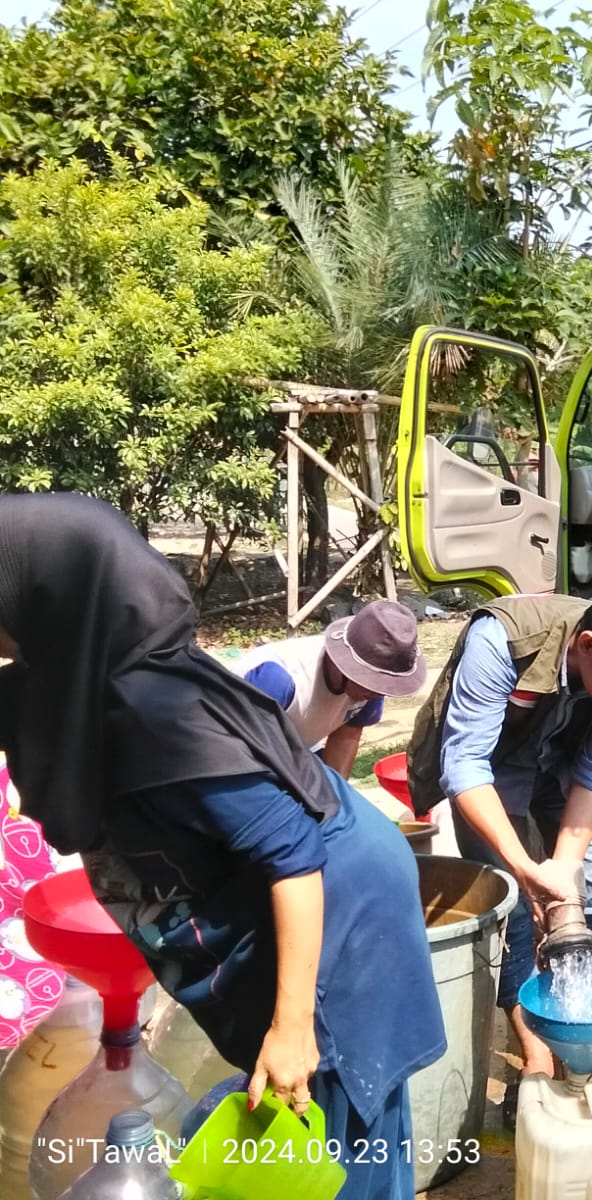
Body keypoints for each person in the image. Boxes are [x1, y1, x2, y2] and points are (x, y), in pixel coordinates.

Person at [0, 494, 444, 1200]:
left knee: (327, 1136)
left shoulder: (148, 708)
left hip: (335, 906)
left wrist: (295, 1028)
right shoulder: (81, 683)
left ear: (49, 594)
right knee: (322, 1132)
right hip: (312, 884)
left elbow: (294, 853)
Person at [406, 584, 592, 1082]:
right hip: (494, 768)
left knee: (591, 895)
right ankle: (534, 1045)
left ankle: (574, 1023)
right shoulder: (502, 640)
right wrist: (525, 868)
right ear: (587, 644)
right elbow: (465, 764)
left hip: (563, 767)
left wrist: (563, 869)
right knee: (510, 904)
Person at [233, 599, 427, 778]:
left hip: (300, 747)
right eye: (372, 682)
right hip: (236, 753)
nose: (378, 694)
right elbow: (246, 753)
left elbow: (346, 738)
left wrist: (338, 803)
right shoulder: (275, 678)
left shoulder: (372, 688)